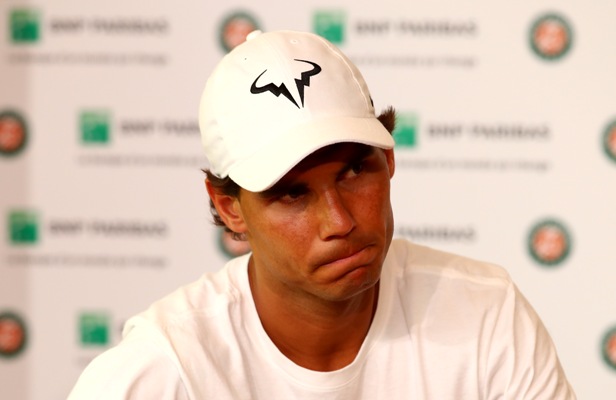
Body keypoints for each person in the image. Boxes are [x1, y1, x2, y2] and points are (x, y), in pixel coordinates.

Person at [68, 30, 576, 399]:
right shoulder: (165, 367)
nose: (339, 221)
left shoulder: (485, 314)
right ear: (229, 208)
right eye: (292, 194)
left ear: (390, 158)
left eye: (355, 170)